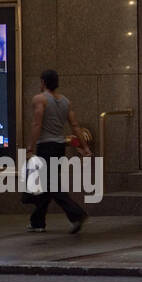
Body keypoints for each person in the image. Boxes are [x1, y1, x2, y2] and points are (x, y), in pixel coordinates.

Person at [26, 69, 88, 234]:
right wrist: (85, 146)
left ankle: (76, 214)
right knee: (47, 185)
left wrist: (30, 147)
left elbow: (37, 124)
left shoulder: (40, 99)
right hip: (60, 147)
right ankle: (37, 222)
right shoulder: (66, 102)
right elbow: (75, 125)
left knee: (50, 185)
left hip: (46, 147)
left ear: (43, 82)